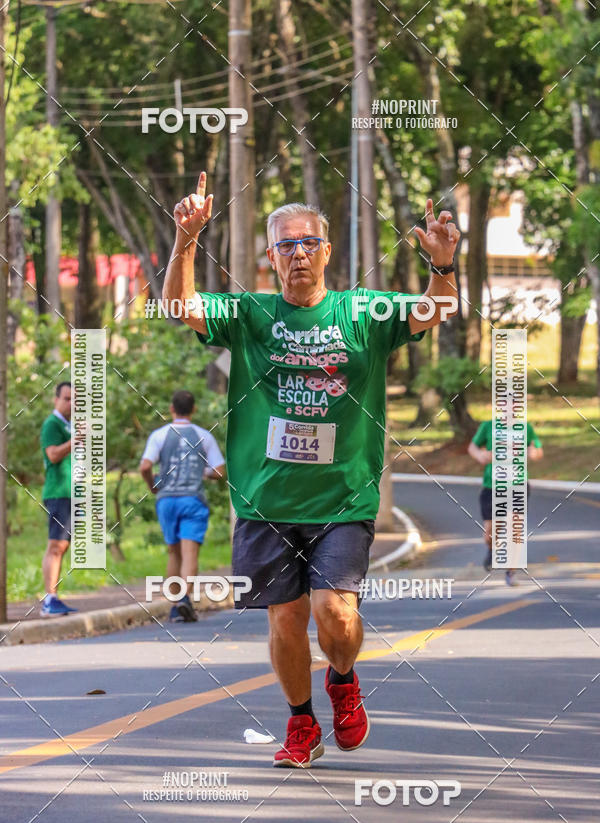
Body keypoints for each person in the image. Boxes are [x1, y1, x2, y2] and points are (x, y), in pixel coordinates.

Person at [162, 171, 460, 767]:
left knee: (335, 612)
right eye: (286, 245)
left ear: (327, 252)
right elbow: (178, 306)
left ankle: (343, 680)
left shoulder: (364, 311)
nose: (298, 253)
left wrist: (444, 263)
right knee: (286, 620)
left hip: (342, 498)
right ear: (271, 257)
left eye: (308, 243)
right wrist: (187, 239)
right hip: (265, 501)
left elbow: (437, 311)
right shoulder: (249, 313)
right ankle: (301, 721)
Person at [140, 390, 226, 623]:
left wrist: (153, 486)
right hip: (192, 500)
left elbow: (145, 466)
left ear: (171, 409)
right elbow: (219, 471)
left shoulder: (159, 435)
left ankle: (175, 606)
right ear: (194, 409)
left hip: (167, 500)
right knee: (190, 553)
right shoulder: (203, 436)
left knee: (174, 552)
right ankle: (184, 599)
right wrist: (201, 472)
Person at [468, 418, 543, 586]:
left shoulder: (526, 428)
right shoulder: (488, 426)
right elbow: (472, 447)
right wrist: (480, 455)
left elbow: (538, 449)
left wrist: (534, 453)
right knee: (490, 532)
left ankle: (511, 572)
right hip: (492, 486)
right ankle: (491, 548)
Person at [40, 382, 78, 617]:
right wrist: (76, 440)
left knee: (62, 546)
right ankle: (49, 600)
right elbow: (52, 455)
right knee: (56, 545)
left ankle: (53, 597)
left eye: (75, 400)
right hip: (58, 492)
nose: (71, 404)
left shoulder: (69, 425)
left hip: (70, 493)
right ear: (56, 400)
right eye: (67, 399)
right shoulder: (52, 424)